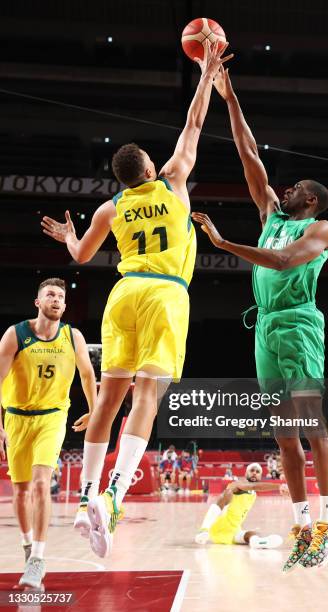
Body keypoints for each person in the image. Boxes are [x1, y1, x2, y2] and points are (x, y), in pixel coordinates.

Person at [40, 42, 233, 559]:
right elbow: (194, 124)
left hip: (121, 294)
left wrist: (67, 235)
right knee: (146, 398)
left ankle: (84, 500)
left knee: (106, 400)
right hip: (166, 294)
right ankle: (115, 494)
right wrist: (206, 72)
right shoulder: (171, 183)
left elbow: (80, 256)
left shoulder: (111, 205)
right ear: (150, 168)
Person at [192, 65, 328, 572]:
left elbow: (280, 261)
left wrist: (222, 244)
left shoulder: (320, 228)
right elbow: (247, 152)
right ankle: (302, 522)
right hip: (267, 327)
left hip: (299, 323)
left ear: (312, 200)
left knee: (310, 420)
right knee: (283, 433)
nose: (288, 187)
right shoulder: (271, 216)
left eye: (298, 185)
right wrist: (228, 95)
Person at [0, 278, 96, 589]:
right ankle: (28, 545)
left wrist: (95, 411)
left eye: (60, 296)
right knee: (21, 490)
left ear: (65, 306)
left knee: (42, 483)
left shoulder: (73, 336)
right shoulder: (15, 335)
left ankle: (38, 559)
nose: (55, 299)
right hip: (16, 417)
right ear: (37, 302)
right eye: (49, 295)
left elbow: (86, 373)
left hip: (52, 417)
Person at [195, 463, 282, 549]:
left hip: (234, 530)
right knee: (226, 493)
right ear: (246, 474)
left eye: (257, 471)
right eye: (252, 470)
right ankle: (203, 530)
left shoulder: (253, 494)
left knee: (253, 534)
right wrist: (280, 486)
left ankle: (256, 542)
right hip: (219, 526)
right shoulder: (237, 484)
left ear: (260, 476)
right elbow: (254, 486)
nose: (254, 473)